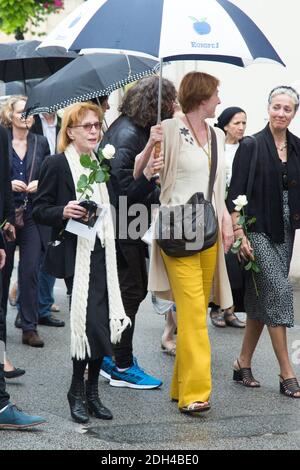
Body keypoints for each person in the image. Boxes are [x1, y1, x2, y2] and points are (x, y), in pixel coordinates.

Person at [136, 71, 233, 414]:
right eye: (216, 95)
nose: (220, 100)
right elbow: (140, 172)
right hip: (177, 230)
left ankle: (180, 386)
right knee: (191, 314)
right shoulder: (170, 128)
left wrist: (226, 222)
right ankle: (195, 393)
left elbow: (217, 188)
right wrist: (150, 145)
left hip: (206, 229)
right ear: (202, 97)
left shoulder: (218, 135)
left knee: (197, 312)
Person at [32, 102, 130, 423]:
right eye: (86, 126)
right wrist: (65, 210)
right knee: (88, 325)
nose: (93, 131)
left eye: (97, 125)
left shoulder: (102, 163)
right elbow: (39, 209)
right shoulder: (57, 164)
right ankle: (77, 390)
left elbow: (120, 200)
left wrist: (145, 168)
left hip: (104, 253)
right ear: (70, 132)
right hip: (77, 255)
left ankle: (91, 392)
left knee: (102, 325)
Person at [100, 76, 176, 389]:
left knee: (129, 292)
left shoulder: (134, 129)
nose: (174, 108)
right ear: (157, 105)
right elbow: (122, 192)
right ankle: (120, 362)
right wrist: (149, 179)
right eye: (171, 101)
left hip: (128, 226)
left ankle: (112, 356)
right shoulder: (130, 134)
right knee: (130, 293)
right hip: (122, 228)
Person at [226, 86, 300, 397]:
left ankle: (242, 363)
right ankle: (287, 372)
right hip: (256, 228)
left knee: (261, 299)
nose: (281, 113)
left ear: (294, 113)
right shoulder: (251, 145)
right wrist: (239, 232)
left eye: (288, 109)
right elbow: (234, 197)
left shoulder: (297, 146)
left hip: (286, 229)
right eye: (277, 107)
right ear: (267, 108)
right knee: (280, 290)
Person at [0, 124, 45, 429]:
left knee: (26, 276)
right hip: (7, 221)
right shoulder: (3, 135)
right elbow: (3, 184)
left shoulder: (35, 142)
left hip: (23, 218)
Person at [0, 96, 50, 348]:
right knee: (3, 271)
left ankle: (29, 327)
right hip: (5, 215)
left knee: (30, 270)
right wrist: (6, 185)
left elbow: (49, 175)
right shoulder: (2, 141)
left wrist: (40, 184)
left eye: (31, 112)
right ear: (10, 115)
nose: (27, 116)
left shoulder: (41, 143)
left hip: (31, 213)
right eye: (22, 112)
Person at [209, 106, 248, 328]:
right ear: (225, 125)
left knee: (236, 261)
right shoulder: (216, 147)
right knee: (221, 259)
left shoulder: (247, 147)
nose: (241, 127)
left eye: (244, 123)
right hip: (218, 206)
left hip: (239, 209)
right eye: (236, 123)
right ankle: (216, 307)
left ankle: (231, 310)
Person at [30, 112, 64, 328]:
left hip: (56, 184)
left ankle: (42, 303)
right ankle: (35, 306)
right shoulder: (33, 123)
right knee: (36, 255)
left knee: (50, 248)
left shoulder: (62, 122)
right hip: (34, 189)